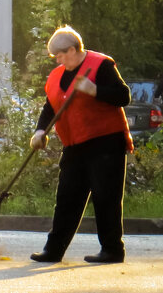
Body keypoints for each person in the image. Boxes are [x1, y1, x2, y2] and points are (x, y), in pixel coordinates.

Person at [29, 25, 133, 265]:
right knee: (66, 197)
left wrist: (94, 89)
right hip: (75, 146)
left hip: (106, 143)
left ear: (74, 49)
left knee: (105, 197)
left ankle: (112, 251)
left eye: (62, 54)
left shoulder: (101, 66)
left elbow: (123, 96)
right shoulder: (57, 75)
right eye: (56, 56)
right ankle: (53, 250)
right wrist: (40, 130)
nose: (59, 60)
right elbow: (50, 107)